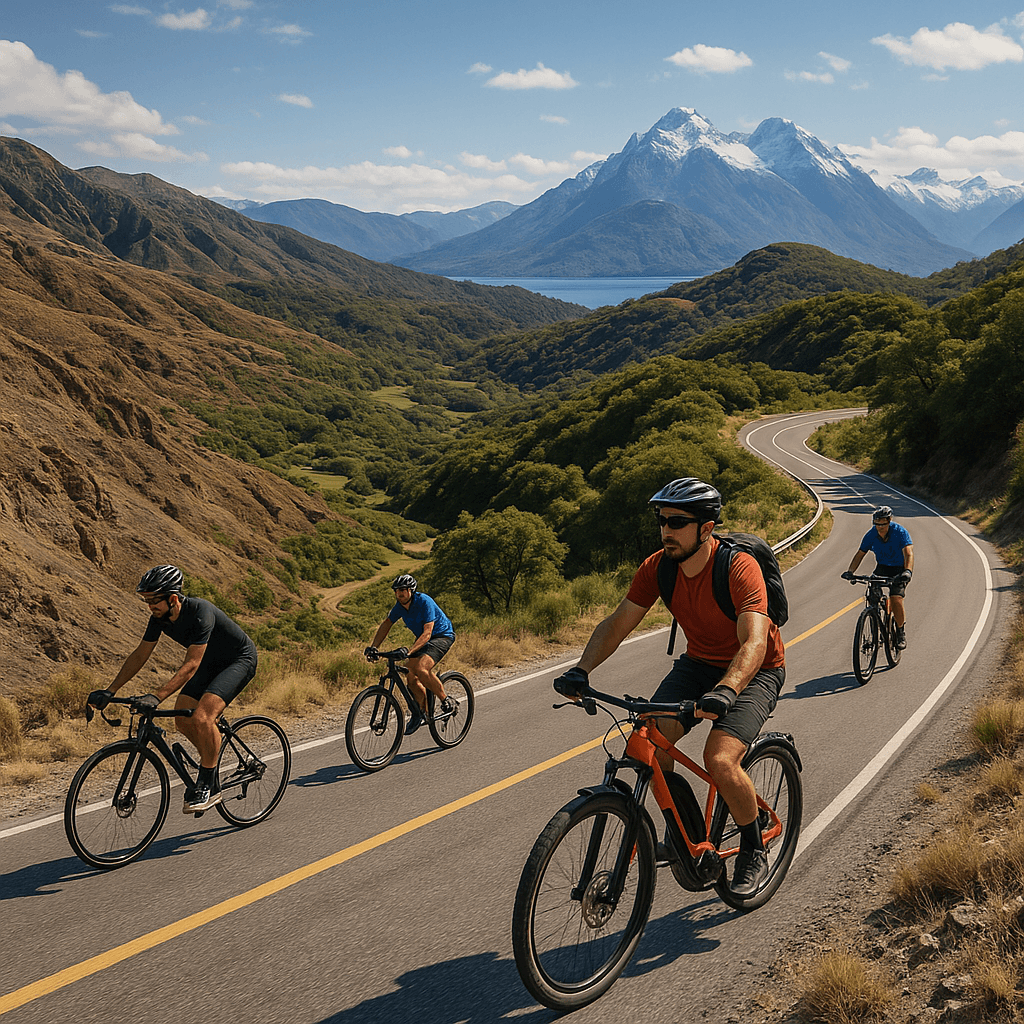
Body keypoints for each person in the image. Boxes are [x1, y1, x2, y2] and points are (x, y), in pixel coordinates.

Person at [553, 477, 786, 897]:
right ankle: (685, 834)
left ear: (707, 527)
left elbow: (753, 641)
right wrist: (581, 670)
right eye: (661, 520)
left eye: (678, 521)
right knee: (651, 742)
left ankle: (753, 847)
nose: (666, 530)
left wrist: (728, 689)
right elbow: (617, 623)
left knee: (719, 758)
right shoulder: (658, 567)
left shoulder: (737, 567)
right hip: (699, 664)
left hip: (754, 671)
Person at [87, 565, 259, 813]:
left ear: (173, 598)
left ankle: (208, 785)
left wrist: (156, 696)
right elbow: (140, 655)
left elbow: (191, 665)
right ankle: (210, 761)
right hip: (211, 663)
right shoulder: (159, 619)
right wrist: (110, 690)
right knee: (182, 718)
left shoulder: (200, 611)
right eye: (146, 600)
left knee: (202, 717)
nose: (150, 606)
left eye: (154, 600)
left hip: (238, 660)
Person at [365, 574, 456, 735]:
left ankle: (446, 700)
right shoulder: (399, 607)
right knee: (410, 676)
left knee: (421, 669)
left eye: (402, 590)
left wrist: (409, 652)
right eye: (396, 591)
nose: (399, 594)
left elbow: (428, 633)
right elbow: (386, 625)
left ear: (411, 590)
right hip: (423, 639)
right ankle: (421, 711)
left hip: (441, 636)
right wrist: (373, 647)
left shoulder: (424, 602)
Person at [842, 505, 913, 649]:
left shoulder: (900, 532)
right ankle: (874, 616)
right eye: (877, 524)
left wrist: (907, 572)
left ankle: (900, 632)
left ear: (889, 521)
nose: (880, 527)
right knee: (871, 592)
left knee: (896, 598)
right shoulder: (871, 535)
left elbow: (908, 553)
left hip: (900, 568)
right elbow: (860, 554)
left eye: (883, 524)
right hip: (883, 567)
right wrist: (850, 571)